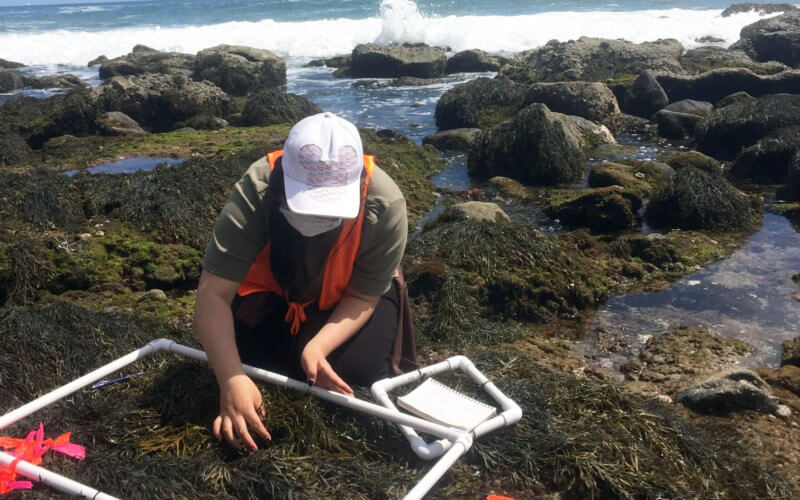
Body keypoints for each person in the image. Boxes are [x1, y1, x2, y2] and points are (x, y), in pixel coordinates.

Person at [195, 111, 416, 450]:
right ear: (285, 176)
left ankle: (305, 342)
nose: (317, 219)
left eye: (330, 211)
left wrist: (318, 346)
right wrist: (231, 379)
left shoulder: (385, 204)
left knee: (358, 374)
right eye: (307, 206)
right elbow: (213, 295)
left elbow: (363, 296)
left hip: (349, 296)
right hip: (276, 290)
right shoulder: (258, 189)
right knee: (246, 363)